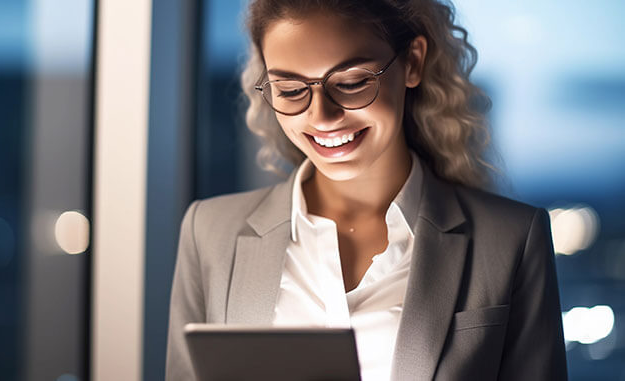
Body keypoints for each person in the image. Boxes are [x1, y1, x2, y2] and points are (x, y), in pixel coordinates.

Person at [166, 0, 567, 380]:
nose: (321, 116)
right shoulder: (209, 233)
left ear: (412, 62)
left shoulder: (511, 238)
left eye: (353, 82)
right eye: (290, 90)